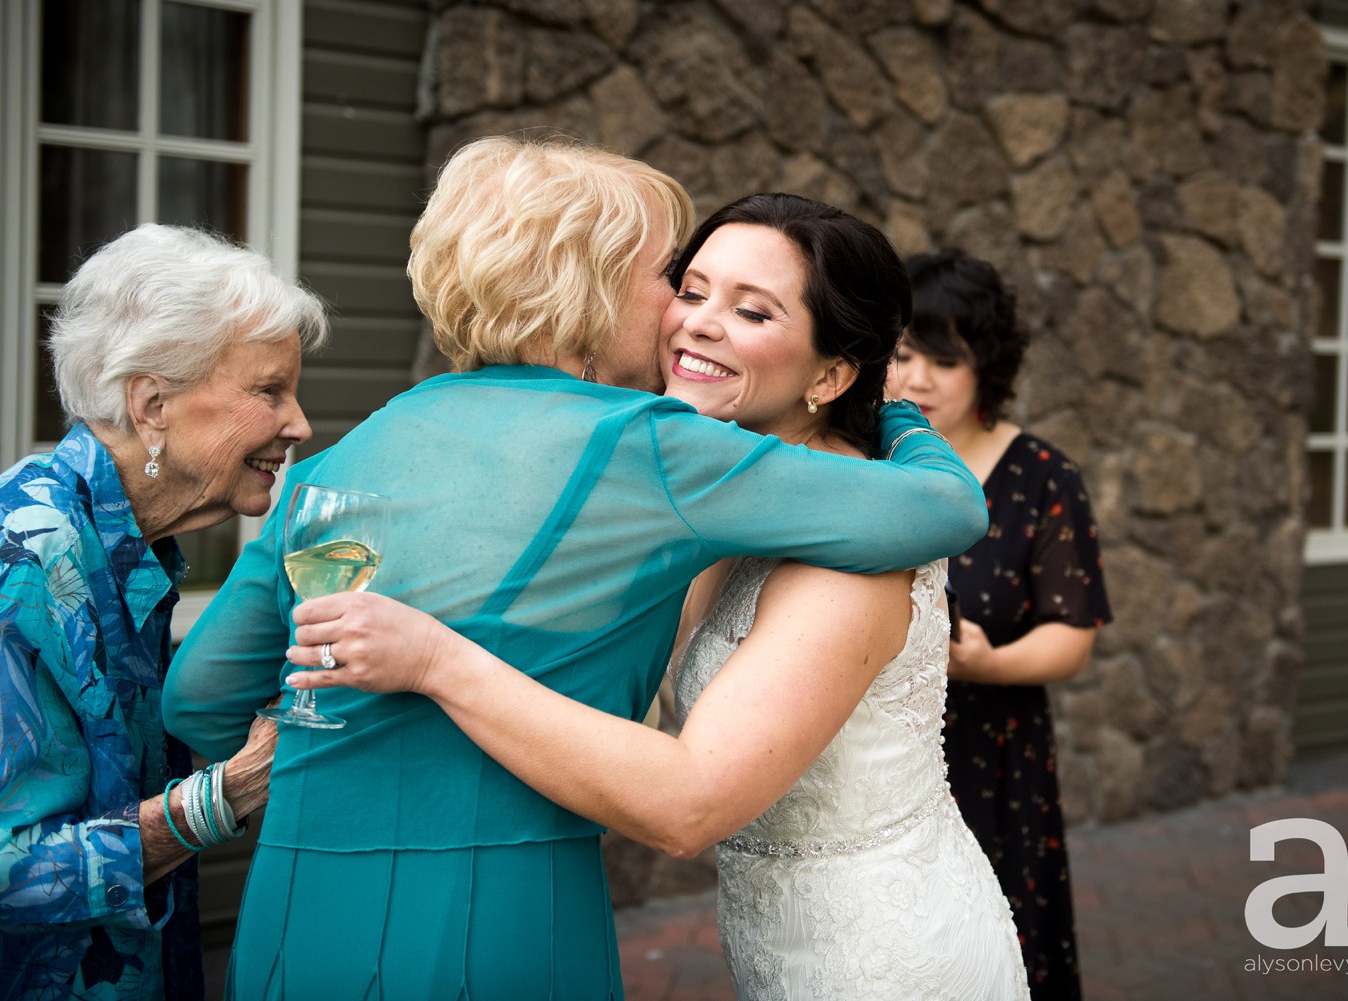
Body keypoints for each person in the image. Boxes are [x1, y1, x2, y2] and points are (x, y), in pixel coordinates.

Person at [162, 140, 988, 1000]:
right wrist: (900, 413)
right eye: (670, 275)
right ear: (592, 285)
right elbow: (946, 510)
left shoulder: (344, 455)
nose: (678, 306)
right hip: (499, 909)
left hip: (296, 907)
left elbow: (199, 694)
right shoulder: (645, 445)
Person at [0, 224, 326, 1001]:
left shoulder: (124, 539)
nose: (300, 424)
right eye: (268, 390)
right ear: (152, 403)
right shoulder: (28, 556)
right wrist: (227, 795)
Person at [888, 249, 1113, 1000]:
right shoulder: (864, 460)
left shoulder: (1043, 475)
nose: (916, 379)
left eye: (943, 360)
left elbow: (1072, 636)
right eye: (901, 353)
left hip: (993, 757)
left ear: (986, 366)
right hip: (878, 755)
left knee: (997, 950)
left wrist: (982, 664)